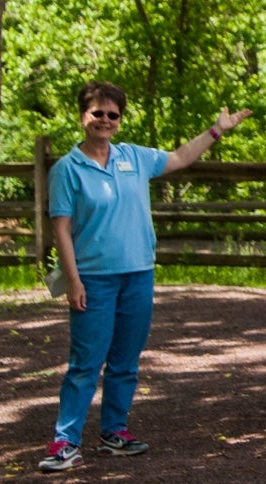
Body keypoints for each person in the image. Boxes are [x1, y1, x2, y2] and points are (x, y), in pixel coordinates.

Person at [39, 81, 252, 473]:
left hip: (138, 274)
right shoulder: (67, 169)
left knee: (126, 360)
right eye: (96, 112)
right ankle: (65, 440)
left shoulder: (134, 157)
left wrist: (217, 129)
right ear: (82, 116)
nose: (104, 120)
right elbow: (62, 229)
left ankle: (114, 432)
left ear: (120, 120)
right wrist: (73, 281)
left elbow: (180, 158)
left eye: (112, 114)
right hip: (94, 279)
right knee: (86, 362)